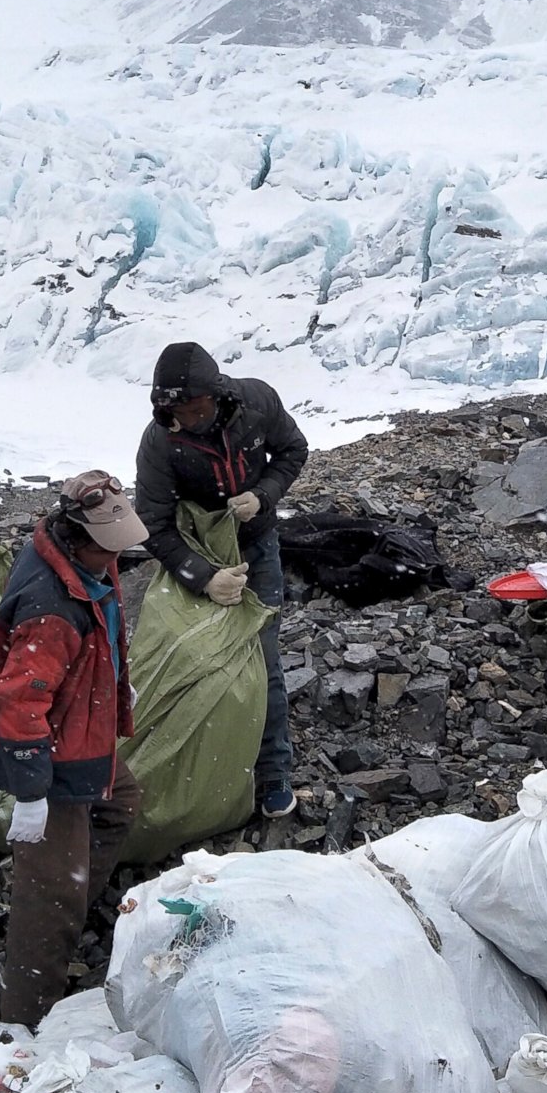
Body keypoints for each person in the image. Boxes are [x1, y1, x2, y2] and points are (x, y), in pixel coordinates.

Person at [0, 472, 150, 1029]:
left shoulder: (87, 562)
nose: (117, 555)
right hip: (51, 758)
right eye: (108, 545)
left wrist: (115, 684)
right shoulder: (51, 607)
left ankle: (73, 893)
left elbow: (104, 631)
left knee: (120, 803)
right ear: (76, 535)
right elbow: (19, 704)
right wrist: (31, 793)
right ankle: (24, 1023)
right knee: (46, 904)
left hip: (80, 734)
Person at [132, 342, 311, 819]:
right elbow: (152, 522)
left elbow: (293, 450)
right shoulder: (160, 442)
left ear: (216, 396)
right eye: (177, 411)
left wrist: (264, 495)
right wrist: (203, 577)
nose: (188, 419)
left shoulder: (257, 403)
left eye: (196, 409)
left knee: (261, 654)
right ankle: (203, 770)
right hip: (198, 549)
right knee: (194, 653)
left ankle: (272, 772)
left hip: (257, 546)